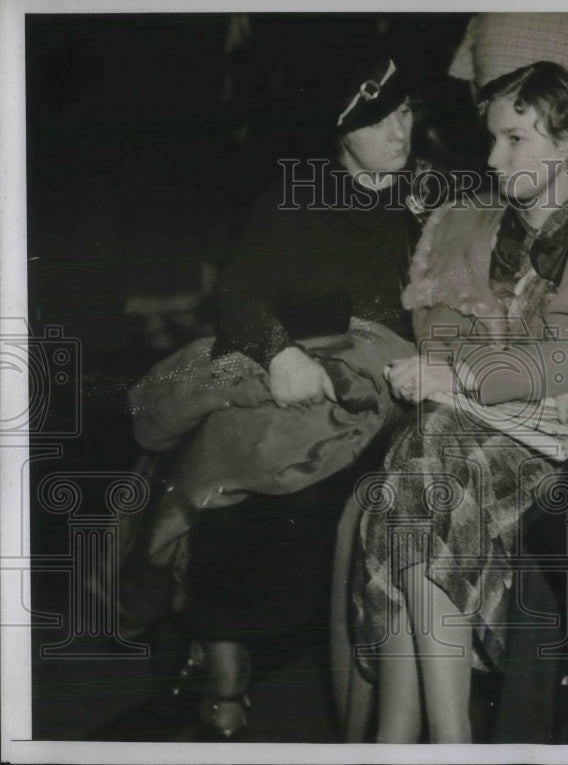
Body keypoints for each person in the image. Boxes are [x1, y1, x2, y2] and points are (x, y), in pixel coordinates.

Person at [350, 62, 568, 743]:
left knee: (416, 469)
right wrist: (467, 368)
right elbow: (437, 324)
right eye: (491, 139)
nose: (491, 157)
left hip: (566, 446)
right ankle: (448, 739)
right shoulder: (473, 220)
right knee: (420, 469)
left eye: (513, 139)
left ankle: (408, 735)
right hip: (475, 430)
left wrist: (469, 373)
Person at [154, 50, 439, 739]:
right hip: (298, 372)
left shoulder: (431, 194)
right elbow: (241, 290)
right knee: (227, 450)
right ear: (343, 133)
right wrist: (277, 350)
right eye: (378, 120)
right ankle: (225, 667)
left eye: (404, 114)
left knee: (297, 475)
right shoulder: (297, 195)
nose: (398, 133)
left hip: (389, 391)